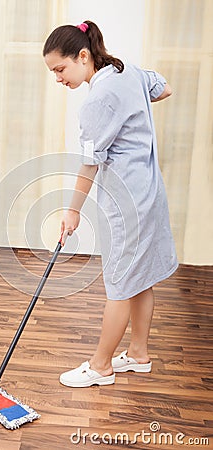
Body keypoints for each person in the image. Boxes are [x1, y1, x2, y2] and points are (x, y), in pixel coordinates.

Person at [43, 21, 178, 388]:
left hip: (127, 201)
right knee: (140, 277)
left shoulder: (98, 100)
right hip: (149, 192)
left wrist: (72, 210)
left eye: (60, 69)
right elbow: (163, 87)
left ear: (83, 56)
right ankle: (138, 354)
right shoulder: (127, 72)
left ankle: (101, 365)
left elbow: (90, 163)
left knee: (119, 282)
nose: (58, 78)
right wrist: (134, 109)